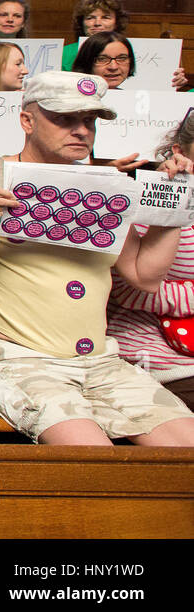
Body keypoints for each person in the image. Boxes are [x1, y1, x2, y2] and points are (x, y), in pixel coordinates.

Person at [0, 71, 194, 446]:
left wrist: (172, 204)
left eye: (89, 120)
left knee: (186, 448)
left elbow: (143, 274)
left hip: (101, 361)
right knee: (90, 457)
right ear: (27, 120)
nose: (81, 130)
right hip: (16, 358)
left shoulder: (106, 186)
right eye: (64, 119)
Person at [107, 113, 194, 411]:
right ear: (180, 151)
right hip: (158, 360)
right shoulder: (145, 200)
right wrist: (175, 196)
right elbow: (132, 290)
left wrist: (176, 293)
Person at [71, 30, 186, 91]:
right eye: (102, 59)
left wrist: (171, 87)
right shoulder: (71, 100)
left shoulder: (131, 99)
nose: (113, 67)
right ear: (87, 61)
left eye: (122, 58)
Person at [62, 0, 128, 70]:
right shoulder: (65, 53)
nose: (97, 23)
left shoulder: (127, 50)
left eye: (105, 17)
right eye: (90, 18)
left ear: (117, 23)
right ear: (81, 23)